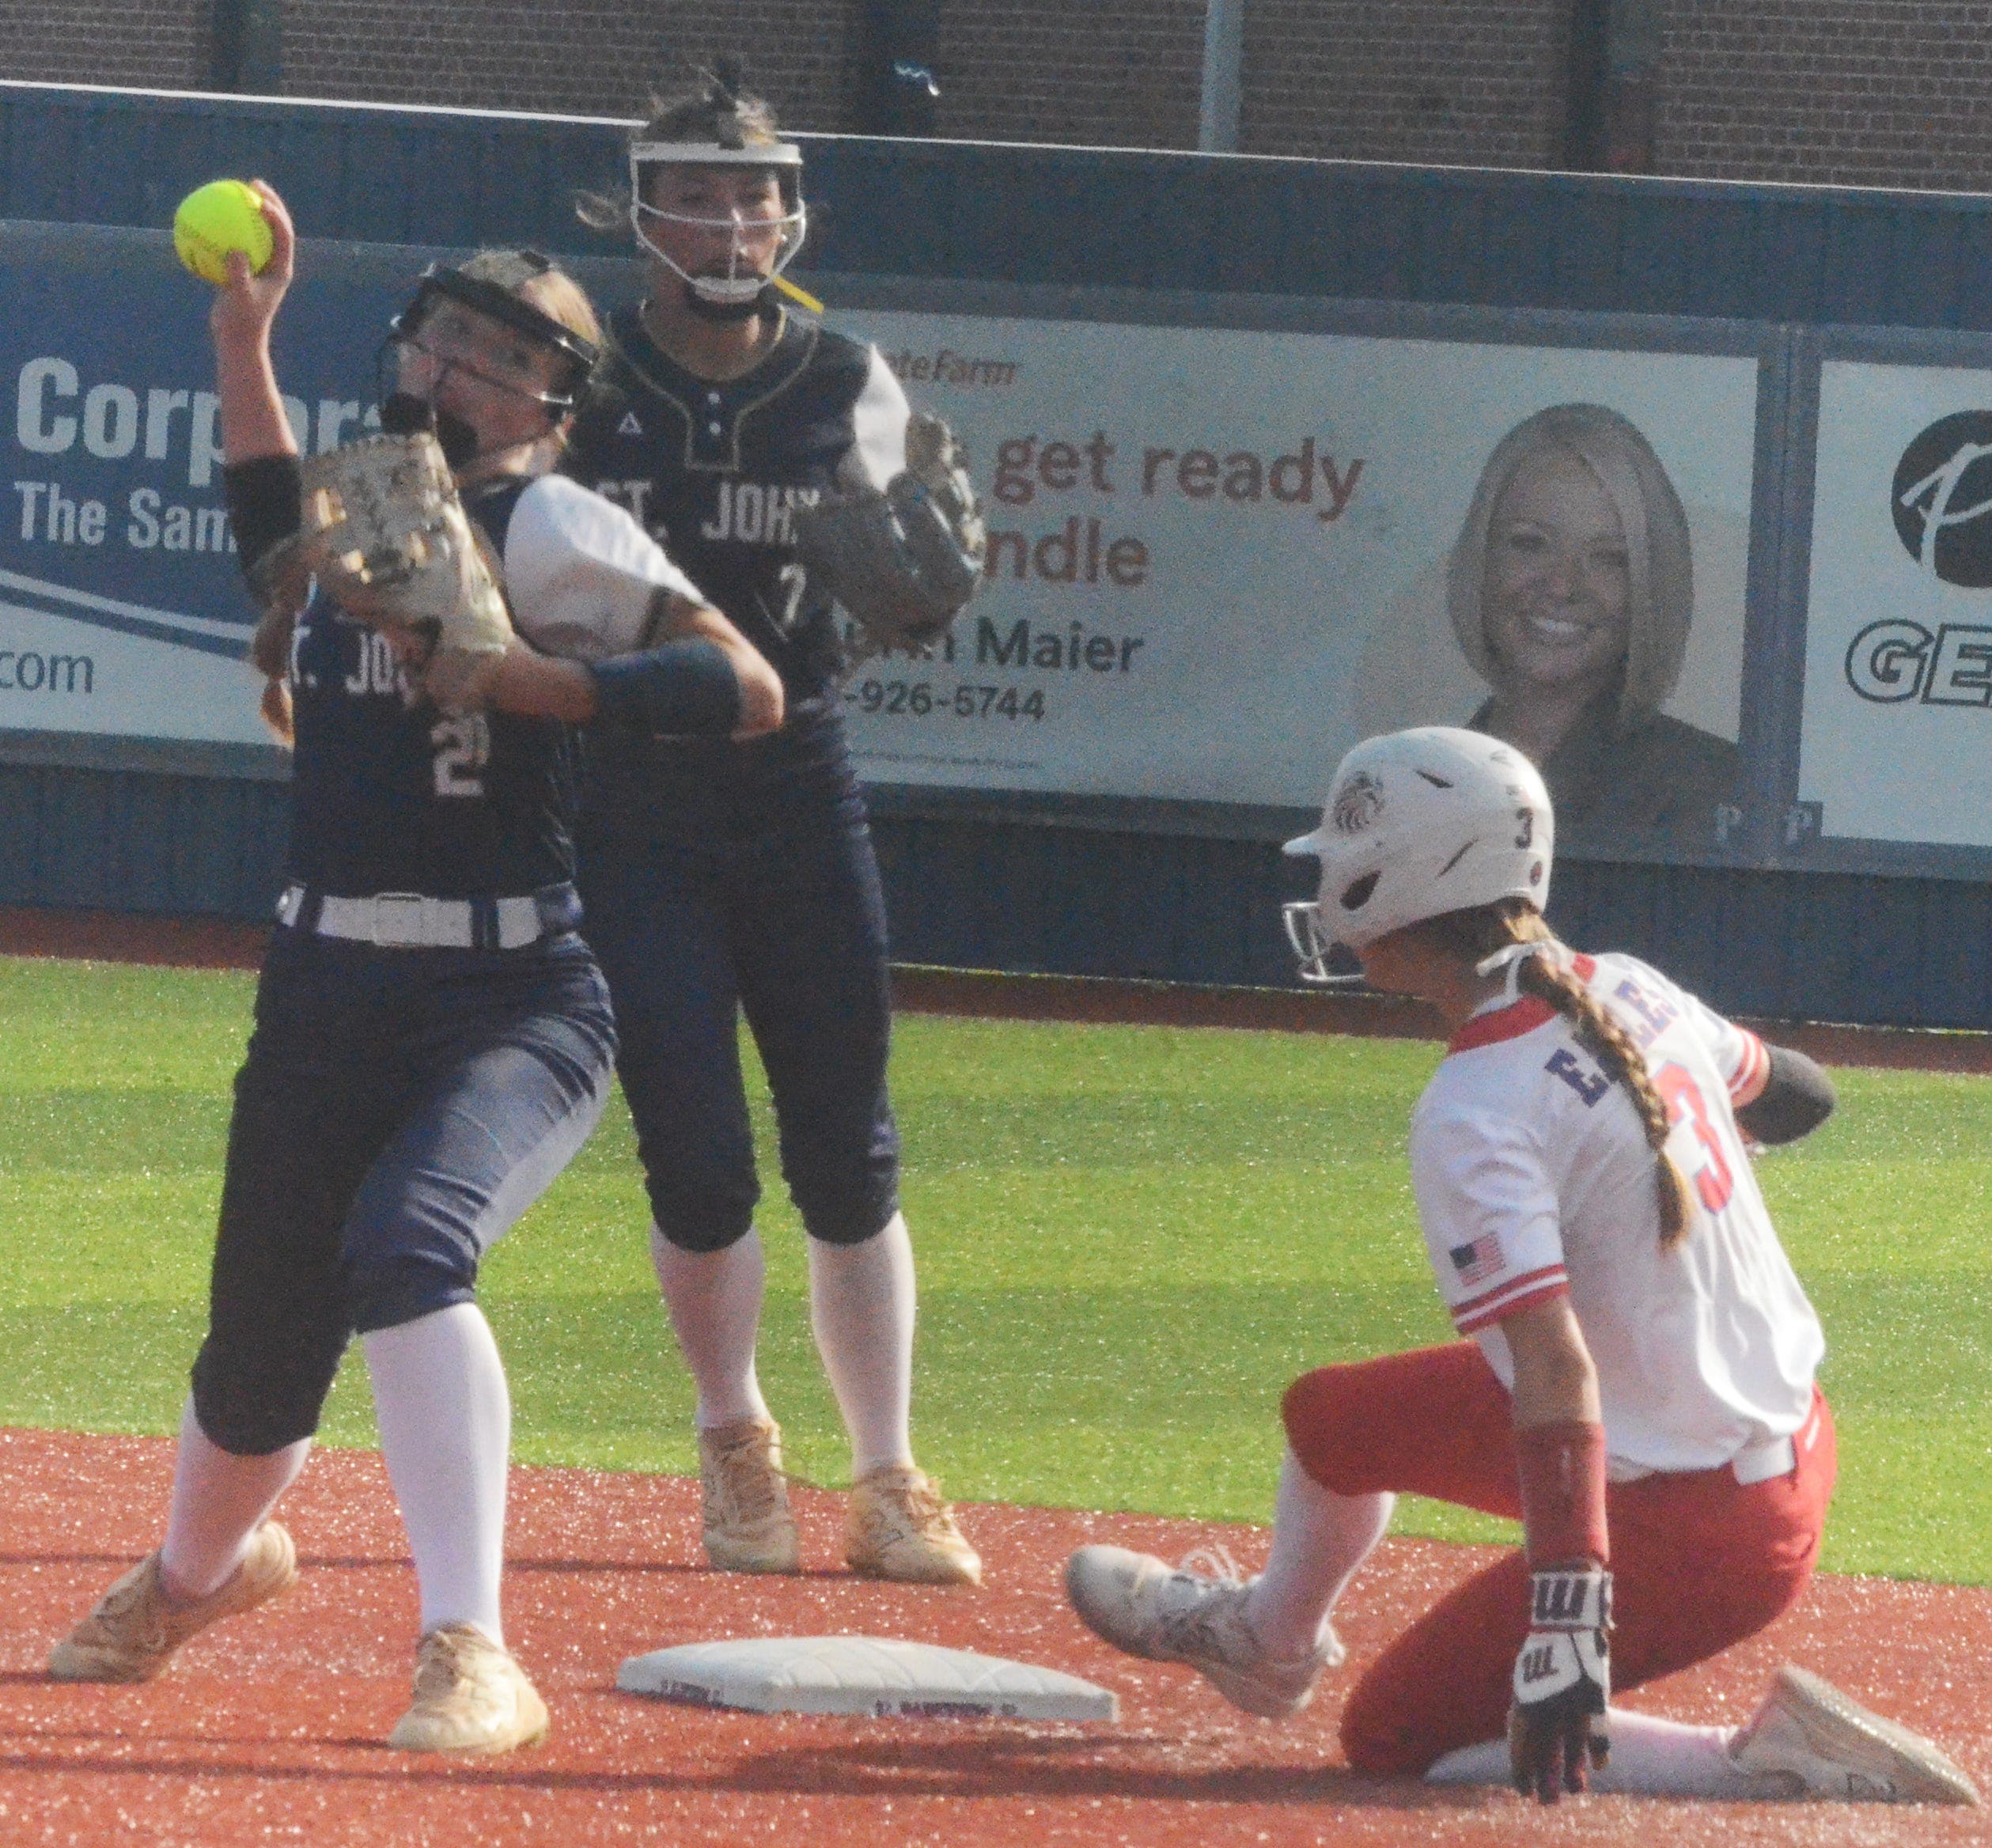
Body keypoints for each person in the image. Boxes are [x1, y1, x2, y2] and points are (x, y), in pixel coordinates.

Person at [44, 182, 782, 1754]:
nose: (453, 369)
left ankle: (470, 1645)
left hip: (504, 997)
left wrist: (533, 681)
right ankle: (191, 1578)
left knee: (408, 1244)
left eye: (497, 355)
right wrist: (243, 338)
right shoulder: (373, 496)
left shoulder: (553, 523)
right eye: (443, 334)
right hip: (320, 987)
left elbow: (747, 684)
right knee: (255, 1358)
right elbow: (265, 518)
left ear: (552, 401)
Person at [1065, 725, 1979, 1808]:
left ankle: (1758, 1759)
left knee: (1390, 1738)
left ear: (1395, 881)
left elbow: (1555, 1375)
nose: (1326, 885)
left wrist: (1567, 1615)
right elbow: (1799, 1093)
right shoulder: (1622, 984)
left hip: (1702, 1526)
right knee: (1329, 1423)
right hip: (1751, 1447)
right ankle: (1267, 1644)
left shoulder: (1474, 1106)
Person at [562, 64, 982, 1587]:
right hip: (630, 799)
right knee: (694, 1149)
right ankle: (735, 1442)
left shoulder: (842, 376)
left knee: (849, 1145)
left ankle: (887, 1473)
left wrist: (922, 582)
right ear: (642, 207)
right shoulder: (585, 375)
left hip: (799, 785)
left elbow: (910, 578)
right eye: (702, 189)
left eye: (756, 191)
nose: (736, 217)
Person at [1449, 403, 1740, 841]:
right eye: (1531, 544)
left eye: (1608, 558)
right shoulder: (1413, 783)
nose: (1563, 585)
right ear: (1481, 560)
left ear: (1650, 588)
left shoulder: (1716, 793)